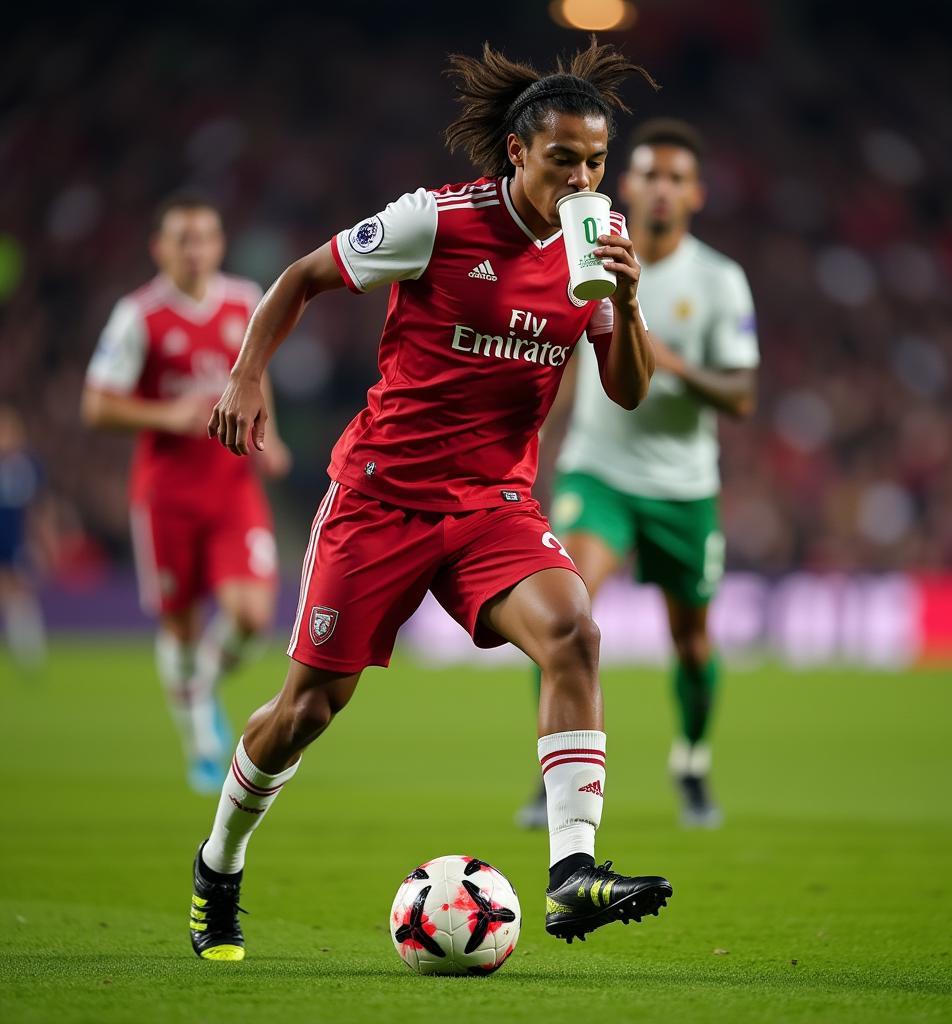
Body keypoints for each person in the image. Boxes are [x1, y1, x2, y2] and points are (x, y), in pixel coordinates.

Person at [187, 40, 671, 962]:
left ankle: (574, 874)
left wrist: (629, 302)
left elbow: (629, 389)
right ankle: (220, 862)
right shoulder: (435, 223)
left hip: (492, 505)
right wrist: (249, 374)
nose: (581, 176)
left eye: (596, 161)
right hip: (382, 497)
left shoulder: (598, 249)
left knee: (574, 631)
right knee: (306, 712)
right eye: (563, 157)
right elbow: (302, 278)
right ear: (519, 152)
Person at [517, 118, 759, 831]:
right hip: (600, 474)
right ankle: (555, 780)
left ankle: (691, 761)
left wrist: (670, 363)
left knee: (691, 641)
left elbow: (742, 396)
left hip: (685, 486)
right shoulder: (582, 257)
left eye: (675, 179)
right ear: (626, 185)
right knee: (564, 615)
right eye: (649, 174)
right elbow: (554, 361)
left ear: (696, 195)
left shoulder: (719, 281)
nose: (660, 189)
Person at [82, 196, 290, 794]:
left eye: (205, 238)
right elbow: (96, 405)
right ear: (160, 248)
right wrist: (169, 413)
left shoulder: (245, 300)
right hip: (166, 494)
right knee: (179, 623)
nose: (195, 250)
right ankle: (200, 740)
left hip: (231, 487)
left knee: (252, 617)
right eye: (182, 239)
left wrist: (265, 433)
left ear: (220, 245)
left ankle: (198, 686)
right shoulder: (138, 316)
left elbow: (256, 371)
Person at [0, 405, 49, 669]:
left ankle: (29, 655)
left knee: (19, 593)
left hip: (14, 539)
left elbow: (36, 508)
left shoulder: (26, 465)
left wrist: (39, 542)